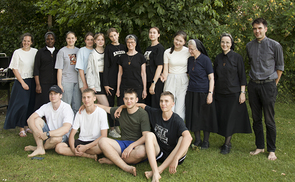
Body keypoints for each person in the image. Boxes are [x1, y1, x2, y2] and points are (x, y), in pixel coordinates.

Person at [115, 91, 192, 182]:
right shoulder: (155, 113)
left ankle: (159, 170)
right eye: (161, 101)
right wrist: (122, 106)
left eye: (166, 101)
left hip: (175, 154)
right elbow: (141, 105)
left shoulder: (176, 120)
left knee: (183, 138)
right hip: (160, 153)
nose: (163, 104)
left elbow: (189, 137)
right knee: (149, 135)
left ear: (172, 104)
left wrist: (176, 158)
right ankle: (156, 172)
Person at [82, 88, 150, 176]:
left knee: (142, 151)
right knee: (103, 141)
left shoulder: (143, 114)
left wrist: (132, 146)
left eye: (131, 98)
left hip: (137, 145)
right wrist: (88, 105)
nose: (129, 101)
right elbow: (106, 108)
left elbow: (145, 137)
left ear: (136, 100)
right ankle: (125, 166)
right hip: (123, 144)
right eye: (126, 98)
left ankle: (114, 160)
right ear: (123, 100)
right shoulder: (120, 111)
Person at [246, 18, 284, 160]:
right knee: (256, 118)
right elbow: (250, 64)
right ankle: (260, 147)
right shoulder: (249, 46)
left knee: (269, 119)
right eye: (255, 28)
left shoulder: (275, 45)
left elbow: (280, 67)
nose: (257, 31)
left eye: (260, 28)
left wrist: (274, 84)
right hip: (254, 85)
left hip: (268, 84)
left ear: (266, 29)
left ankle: (272, 150)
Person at [214, 33, 252, 154]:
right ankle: (226, 141)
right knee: (223, 117)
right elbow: (215, 77)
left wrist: (242, 92)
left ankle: (227, 144)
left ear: (231, 44)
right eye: (223, 42)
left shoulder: (237, 57)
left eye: (227, 42)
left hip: (233, 93)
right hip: (220, 93)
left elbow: (242, 76)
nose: (224, 44)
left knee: (230, 118)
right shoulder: (218, 58)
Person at [55, 89, 109, 160]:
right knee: (59, 147)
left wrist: (86, 147)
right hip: (81, 141)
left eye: (88, 97)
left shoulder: (101, 112)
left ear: (94, 98)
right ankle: (87, 155)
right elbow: (72, 134)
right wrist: (73, 149)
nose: (86, 100)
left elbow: (104, 135)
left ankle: (81, 151)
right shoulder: (80, 113)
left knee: (101, 148)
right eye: (84, 97)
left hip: (95, 142)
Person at [185, 39, 218, 150]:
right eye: (189, 48)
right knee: (194, 116)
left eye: (192, 49)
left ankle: (206, 141)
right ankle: (197, 139)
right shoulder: (190, 60)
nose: (190, 51)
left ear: (197, 48)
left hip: (203, 91)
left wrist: (210, 93)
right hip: (192, 91)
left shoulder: (205, 60)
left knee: (205, 117)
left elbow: (211, 78)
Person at [24, 85, 74, 157]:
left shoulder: (66, 108)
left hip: (62, 136)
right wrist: (36, 131)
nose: (53, 96)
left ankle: (38, 147)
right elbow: (30, 119)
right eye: (51, 94)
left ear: (60, 96)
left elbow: (65, 129)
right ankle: (40, 148)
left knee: (56, 139)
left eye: (55, 94)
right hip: (48, 134)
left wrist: (47, 134)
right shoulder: (46, 106)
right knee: (36, 120)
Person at [4, 33, 38, 137]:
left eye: (28, 41)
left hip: (32, 80)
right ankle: (21, 128)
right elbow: (15, 68)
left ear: (31, 42)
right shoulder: (17, 53)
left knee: (30, 104)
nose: (26, 43)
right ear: (22, 41)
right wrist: (22, 83)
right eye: (24, 40)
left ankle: (27, 126)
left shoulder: (35, 52)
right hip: (21, 81)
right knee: (22, 105)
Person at [161, 31, 190, 120]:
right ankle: (168, 125)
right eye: (176, 39)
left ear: (184, 42)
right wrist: (163, 77)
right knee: (168, 103)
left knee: (180, 105)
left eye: (180, 41)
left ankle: (179, 128)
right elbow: (166, 69)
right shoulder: (167, 52)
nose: (177, 42)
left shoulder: (188, 51)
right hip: (170, 79)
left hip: (183, 79)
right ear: (173, 39)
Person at [103, 28, 126, 138]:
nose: (113, 38)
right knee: (111, 105)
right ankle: (112, 128)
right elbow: (106, 66)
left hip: (123, 79)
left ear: (118, 34)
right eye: (111, 36)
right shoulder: (108, 48)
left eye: (115, 35)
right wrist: (106, 83)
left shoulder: (124, 47)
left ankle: (118, 125)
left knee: (122, 104)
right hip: (112, 80)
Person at [116, 34, 147, 105]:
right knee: (123, 107)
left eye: (132, 42)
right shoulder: (122, 57)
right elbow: (119, 73)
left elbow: (143, 74)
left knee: (137, 108)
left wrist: (144, 89)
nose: (130, 44)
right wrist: (118, 89)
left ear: (135, 43)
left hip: (137, 86)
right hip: (124, 86)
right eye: (128, 42)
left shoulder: (141, 57)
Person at [55, 31, 81, 114]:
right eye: (69, 38)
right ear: (66, 39)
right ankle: (66, 125)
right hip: (66, 81)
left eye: (72, 38)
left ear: (76, 39)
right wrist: (59, 84)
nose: (71, 40)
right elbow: (59, 69)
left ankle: (74, 125)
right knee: (66, 105)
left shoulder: (79, 51)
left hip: (78, 81)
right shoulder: (62, 51)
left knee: (77, 106)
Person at [33, 32, 59, 111]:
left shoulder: (58, 52)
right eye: (48, 39)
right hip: (43, 83)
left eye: (51, 39)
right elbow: (36, 69)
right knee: (42, 104)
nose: (50, 41)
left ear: (54, 40)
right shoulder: (40, 52)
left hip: (55, 83)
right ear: (45, 40)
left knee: (53, 103)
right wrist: (38, 84)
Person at [144, 27, 165, 108]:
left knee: (155, 105)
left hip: (155, 81)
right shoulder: (148, 48)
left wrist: (154, 83)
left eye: (154, 32)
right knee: (148, 105)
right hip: (148, 79)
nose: (152, 34)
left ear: (158, 35)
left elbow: (160, 66)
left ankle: (157, 121)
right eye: (150, 32)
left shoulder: (159, 48)